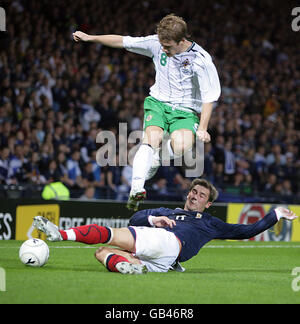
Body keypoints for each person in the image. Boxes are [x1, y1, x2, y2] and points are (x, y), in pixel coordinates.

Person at [72, 14, 221, 211]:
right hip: (158, 103)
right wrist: (91, 38)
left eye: (168, 46)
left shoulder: (201, 60)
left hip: (186, 111)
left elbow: (209, 96)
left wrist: (203, 128)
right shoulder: (156, 44)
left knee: (180, 147)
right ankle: (136, 189)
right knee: (150, 140)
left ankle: (157, 158)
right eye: (162, 45)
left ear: (182, 40)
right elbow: (123, 41)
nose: (164, 50)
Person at [33, 178, 297, 275]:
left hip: (170, 244)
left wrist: (275, 214)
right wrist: (154, 220)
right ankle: (130, 268)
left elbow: (245, 231)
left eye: (201, 195)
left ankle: (61, 234)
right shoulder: (168, 212)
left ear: (208, 204)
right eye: (193, 191)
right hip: (163, 263)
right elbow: (135, 221)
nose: (195, 196)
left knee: (115, 235)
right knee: (102, 252)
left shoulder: (210, 223)